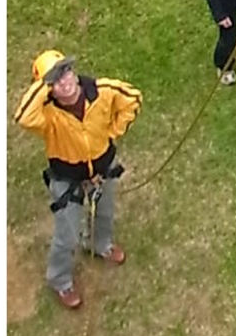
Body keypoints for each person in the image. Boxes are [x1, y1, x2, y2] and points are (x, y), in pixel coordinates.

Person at [14, 50, 143, 311]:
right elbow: (22, 117)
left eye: (66, 72)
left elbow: (133, 98)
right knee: (67, 235)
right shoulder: (47, 115)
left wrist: (113, 131)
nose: (65, 82)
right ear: (48, 89)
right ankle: (60, 280)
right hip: (67, 179)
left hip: (103, 169)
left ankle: (99, 244)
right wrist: (42, 85)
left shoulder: (102, 90)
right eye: (56, 80)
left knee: (104, 215)